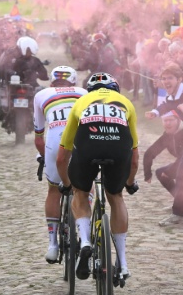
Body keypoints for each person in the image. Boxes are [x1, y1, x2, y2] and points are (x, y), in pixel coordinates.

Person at [56, 72, 139, 282]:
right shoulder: (126, 103)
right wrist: (129, 183)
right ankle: (123, 263)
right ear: (116, 89)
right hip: (118, 150)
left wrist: (67, 185)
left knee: (81, 193)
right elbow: (135, 156)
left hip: (88, 149)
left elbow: (62, 156)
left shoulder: (81, 102)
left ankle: (85, 241)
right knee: (116, 197)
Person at [32, 65, 87, 263]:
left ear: (52, 82)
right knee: (85, 190)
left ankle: (52, 245)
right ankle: (85, 237)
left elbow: (38, 139)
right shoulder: (84, 93)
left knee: (54, 190)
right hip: (80, 144)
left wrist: (44, 157)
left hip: (55, 144)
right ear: (74, 82)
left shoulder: (42, 94)